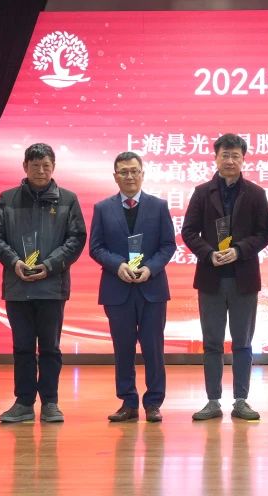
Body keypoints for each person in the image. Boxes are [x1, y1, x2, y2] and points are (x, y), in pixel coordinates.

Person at [0, 143, 86, 424]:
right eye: (35, 166)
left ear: (53, 168)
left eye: (46, 166)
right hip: (17, 288)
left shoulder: (68, 199)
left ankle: (50, 403)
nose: (40, 171)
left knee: (50, 348)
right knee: (23, 348)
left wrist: (49, 265)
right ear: (25, 167)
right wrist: (14, 262)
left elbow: (76, 239)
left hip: (52, 288)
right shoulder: (7, 199)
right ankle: (24, 403)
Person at [182, 133, 268, 421]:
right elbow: (188, 231)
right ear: (216, 158)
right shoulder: (202, 192)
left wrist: (239, 250)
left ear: (244, 159)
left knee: (243, 342)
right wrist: (208, 253)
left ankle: (241, 400)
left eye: (235, 155)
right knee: (212, 342)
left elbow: (265, 233)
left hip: (243, 278)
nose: (230, 160)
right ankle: (212, 401)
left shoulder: (256, 193)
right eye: (225, 155)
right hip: (211, 278)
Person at [89, 151, 176, 423]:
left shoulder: (158, 206)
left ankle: (153, 403)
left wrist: (150, 268)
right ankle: (128, 402)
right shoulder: (102, 208)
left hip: (152, 289)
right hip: (117, 289)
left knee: (153, 348)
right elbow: (96, 247)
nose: (129, 176)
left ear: (142, 174)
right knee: (123, 348)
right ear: (115, 176)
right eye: (123, 172)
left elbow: (168, 245)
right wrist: (118, 266)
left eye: (134, 171)